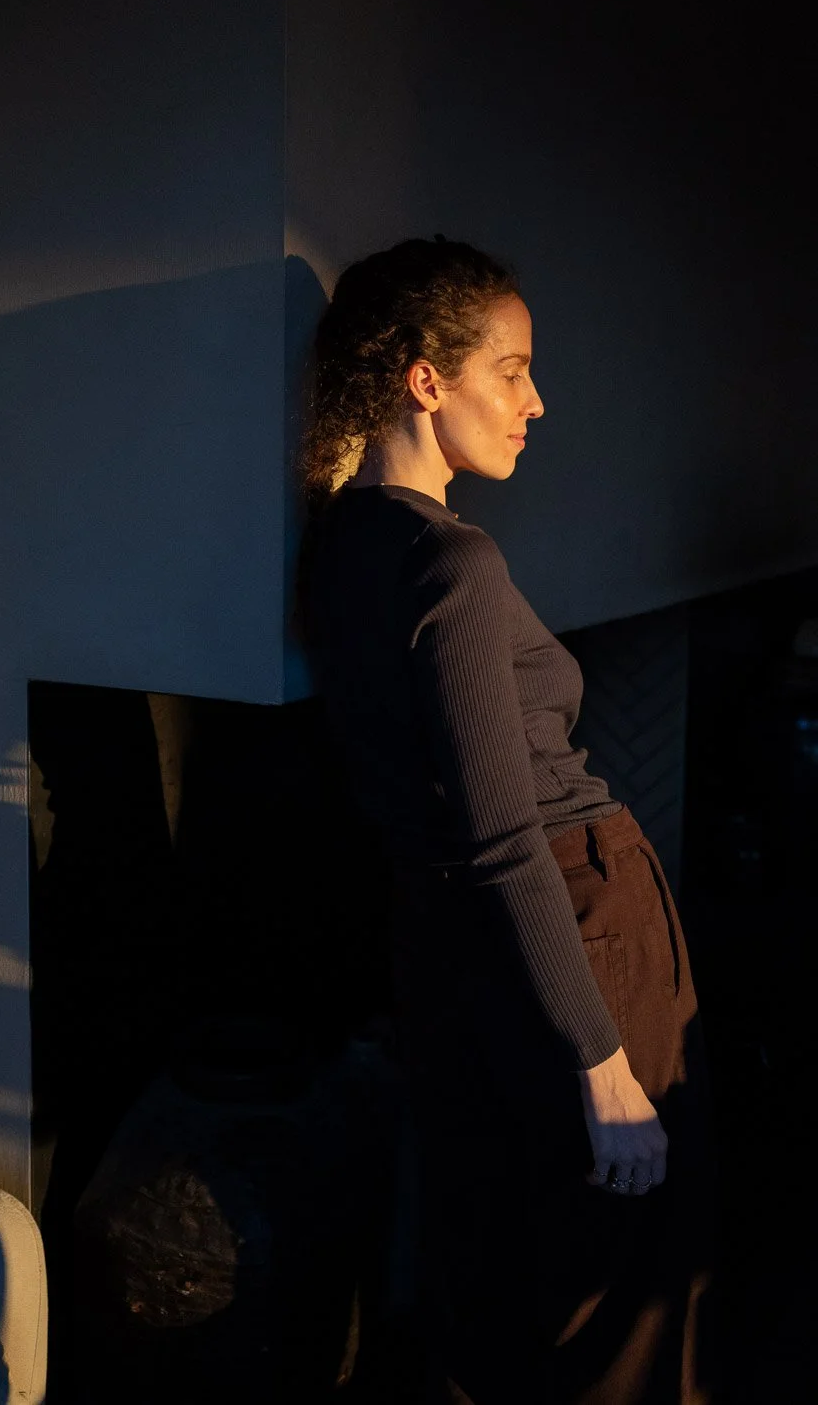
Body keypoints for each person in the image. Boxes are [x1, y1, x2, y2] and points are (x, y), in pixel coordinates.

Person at [294, 237, 718, 1404]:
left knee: (486, 1265)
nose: (538, 401)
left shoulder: (343, 546)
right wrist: (607, 1063)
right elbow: (503, 836)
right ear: (426, 381)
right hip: (571, 921)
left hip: (451, 944)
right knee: (622, 1294)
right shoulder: (453, 563)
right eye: (513, 369)